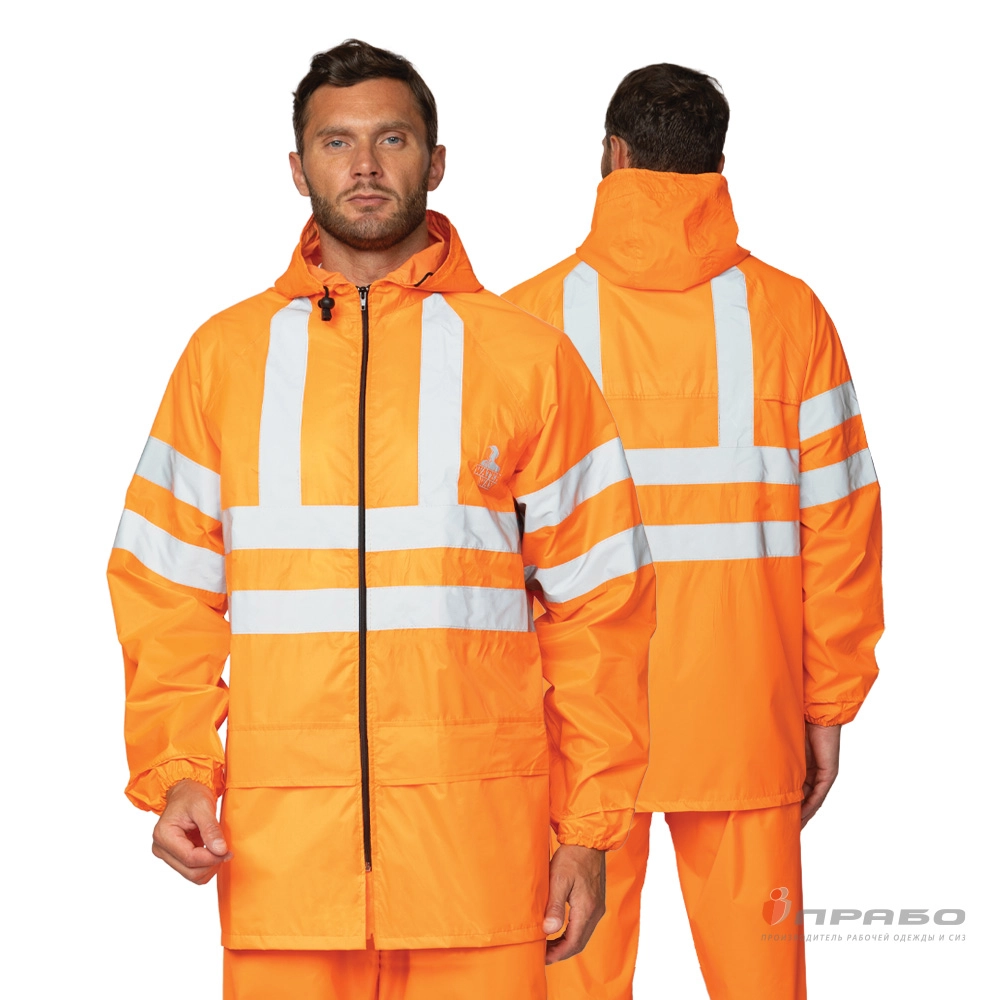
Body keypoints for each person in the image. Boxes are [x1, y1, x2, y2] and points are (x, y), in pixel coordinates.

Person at [107, 39, 656, 1000]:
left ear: (435, 162)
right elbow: (164, 588)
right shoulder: (223, 360)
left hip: (479, 868)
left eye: (391, 139)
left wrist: (590, 831)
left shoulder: (528, 359)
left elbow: (603, 608)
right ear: (298, 168)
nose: (364, 165)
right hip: (283, 869)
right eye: (337, 142)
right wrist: (179, 770)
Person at [505, 63, 884, 999]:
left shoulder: (524, 321)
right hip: (746, 712)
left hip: (577, 726)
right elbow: (841, 525)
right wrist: (827, 705)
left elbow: (478, 548)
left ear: (614, 155)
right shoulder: (791, 315)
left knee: (569, 973)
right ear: (718, 164)